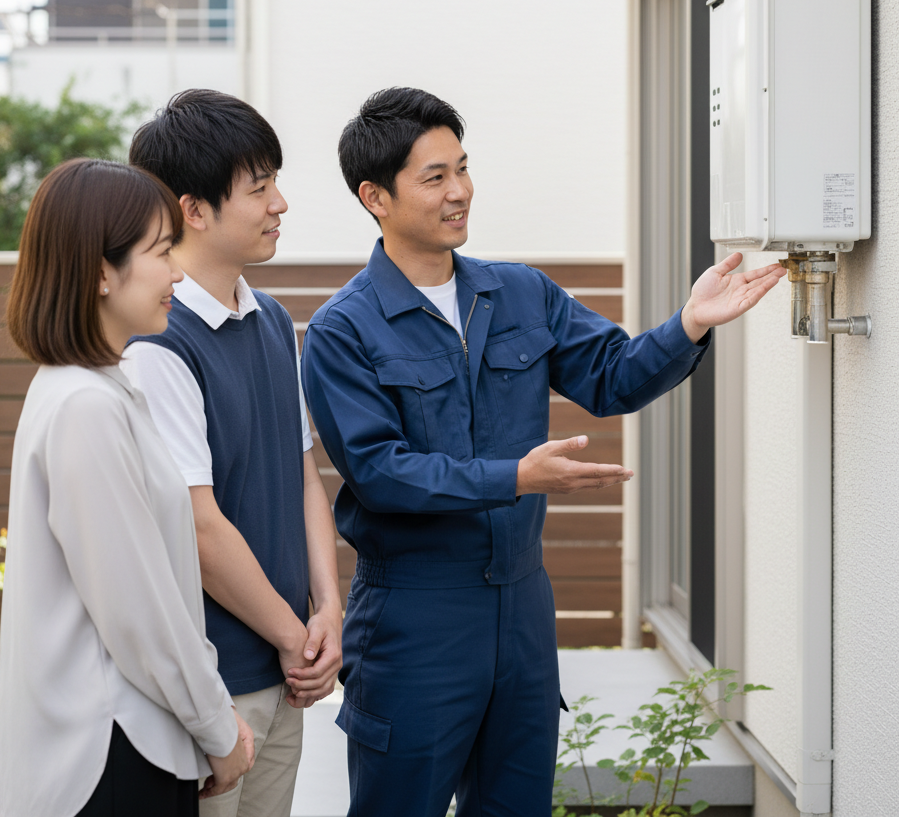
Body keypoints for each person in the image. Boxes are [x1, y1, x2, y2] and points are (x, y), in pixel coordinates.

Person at [300, 87, 786, 817]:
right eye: (434, 178)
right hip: (415, 618)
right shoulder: (345, 329)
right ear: (375, 196)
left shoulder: (520, 293)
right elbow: (379, 472)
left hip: (523, 612)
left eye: (462, 168)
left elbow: (613, 375)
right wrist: (516, 476)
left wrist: (687, 324)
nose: (460, 191)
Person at [0, 158, 254, 817]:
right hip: (111, 752)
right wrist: (220, 729)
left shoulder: (99, 389)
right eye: (161, 251)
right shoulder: (86, 405)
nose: (176, 272)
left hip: (123, 743)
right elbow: (139, 608)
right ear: (100, 270)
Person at [122, 90, 343, 817]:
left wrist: (328, 613)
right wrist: (292, 636)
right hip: (216, 682)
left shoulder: (274, 319)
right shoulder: (159, 344)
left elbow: (305, 474)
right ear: (194, 208)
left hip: (289, 668)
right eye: (260, 187)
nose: (280, 202)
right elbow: (199, 524)